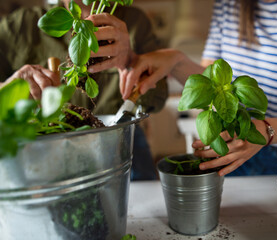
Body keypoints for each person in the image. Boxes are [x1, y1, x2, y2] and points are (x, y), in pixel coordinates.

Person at [119, 0, 277, 177]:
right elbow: (212, 83)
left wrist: (265, 131)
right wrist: (176, 61)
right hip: (227, 149)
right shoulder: (230, 3)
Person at [0, 0, 168, 180]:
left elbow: (158, 97)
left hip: (120, 146)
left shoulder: (134, 21)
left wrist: (131, 62)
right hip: (44, 152)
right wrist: (9, 88)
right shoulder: (18, 26)